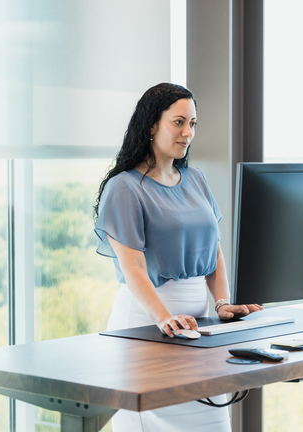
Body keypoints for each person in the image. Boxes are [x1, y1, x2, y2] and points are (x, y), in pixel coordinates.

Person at [93, 83, 264, 432]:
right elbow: (132, 267)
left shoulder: (195, 179)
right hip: (147, 320)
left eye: (193, 124)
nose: (188, 133)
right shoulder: (124, 187)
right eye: (179, 122)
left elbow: (213, 251)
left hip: (196, 326)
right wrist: (164, 317)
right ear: (152, 125)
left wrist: (222, 303)